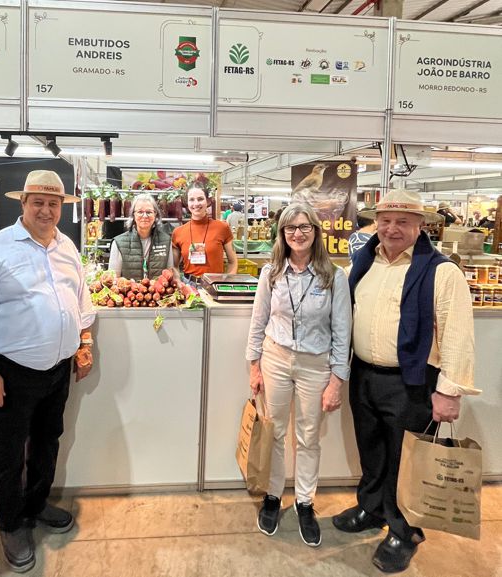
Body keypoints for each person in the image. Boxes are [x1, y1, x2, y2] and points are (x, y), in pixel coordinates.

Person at [332, 189, 479, 573]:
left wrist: (449, 391)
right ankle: (371, 508)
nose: (392, 228)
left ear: (420, 225)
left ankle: (404, 530)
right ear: (375, 223)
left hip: (412, 382)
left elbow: (457, 334)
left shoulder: (441, 271)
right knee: (372, 449)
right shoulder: (364, 264)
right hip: (365, 374)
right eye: (385, 220)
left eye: (402, 221)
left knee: (407, 460)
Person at [0, 170, 96, 573]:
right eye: (38, 202)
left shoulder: (67, 246)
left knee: (48, 440)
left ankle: (36, 504)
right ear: (23, 204)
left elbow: (80, 299)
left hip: (58, 368)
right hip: (11, 371)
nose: (46, 210)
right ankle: (10, 521)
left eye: (53, 203)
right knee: (7, 451)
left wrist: (84, 344)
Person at [246, 202, 352, 548]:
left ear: (316, 231)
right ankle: (273, 495)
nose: (298, 233)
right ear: (282, 234)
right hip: (276, 359)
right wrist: (254, 365)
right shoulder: (272, 272)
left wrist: (337, 380)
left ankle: (305, 502)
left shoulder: (334, 276)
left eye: (305, 226)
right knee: (275, 431)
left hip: (315, 364)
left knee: (308, 436)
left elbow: (342, 332)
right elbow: (258, 321)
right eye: (290, 228)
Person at [172, 186, 237, 283]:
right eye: (191, 200)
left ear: (208, 201)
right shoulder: (178, 232)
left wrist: (227, 283)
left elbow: (233, 262)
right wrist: (178, 282)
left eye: (200, 199)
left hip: (215, 283)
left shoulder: (222, 228)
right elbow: (174, 266)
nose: (196, 203)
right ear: (187, 203)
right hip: (188, 285)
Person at [108, 193, 173, 279]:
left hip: (158, 288)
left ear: (155, 214)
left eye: (149, 212)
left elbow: (170, 274)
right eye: (140, 212)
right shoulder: (118, 243)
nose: (145, 216)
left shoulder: (166, 241)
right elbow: (113, 279)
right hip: (128, 288)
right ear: (133, 215)